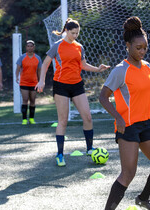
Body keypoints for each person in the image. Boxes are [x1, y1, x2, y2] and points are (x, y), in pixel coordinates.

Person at [96, 16, 150, 210]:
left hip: (146, 123)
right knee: (128, 173)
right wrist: (117, 117)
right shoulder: (120, 70)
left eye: (145, 48)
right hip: (127, 127)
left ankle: (143, 198)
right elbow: (103, 97)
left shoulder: (146, 66)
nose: (142, 51)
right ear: (128, 46)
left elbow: (141, 88)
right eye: (138, 48)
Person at [35, 18, 110, 167]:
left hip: (77, 85)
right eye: (73, 33)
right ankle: (60, 154)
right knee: (63, 120)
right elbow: (45, 64)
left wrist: (97, 69)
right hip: (61, 86)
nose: (76, 35)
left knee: (88, 117)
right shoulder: (57, 46)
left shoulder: (79, 47)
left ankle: (90, 148)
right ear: (67, 31)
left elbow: (83, 65)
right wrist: (41, 81)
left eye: (77, 33)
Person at [16, 40, 42, 125]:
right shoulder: (22, 57)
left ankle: (31, 118)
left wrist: (40, 81)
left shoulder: (37, 58)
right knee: (25, 100)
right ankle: (24, 119)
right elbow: (18, 68)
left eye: (31, 46)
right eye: (28, 46)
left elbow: (39, 71)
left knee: (33, 100)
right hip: (24, 82)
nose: (30, 47)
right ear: (26, 47)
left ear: (34, 47)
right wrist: (17, 77)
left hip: (34, 82)